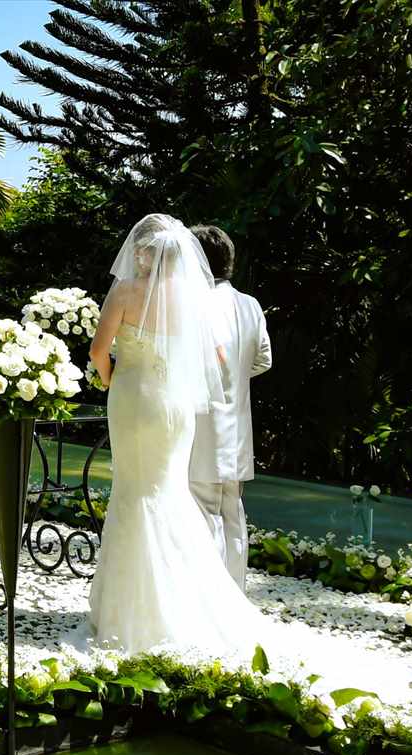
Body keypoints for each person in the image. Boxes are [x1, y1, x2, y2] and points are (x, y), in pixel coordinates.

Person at [79, 214, 268, 656]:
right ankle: (188, 602)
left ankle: (129, 611)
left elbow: (96, 351)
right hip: (176, 407)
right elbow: (219, 358)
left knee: (133, 490)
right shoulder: (196, 299)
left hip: (133, 399)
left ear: (145, 252)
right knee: (168, 493)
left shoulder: (126, 292)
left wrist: (111, 380)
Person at [186, 224, 271, 590]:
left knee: (202, 510)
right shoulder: (249, 304)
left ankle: (211, 597)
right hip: (238, 422)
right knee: (232, 511)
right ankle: (235, 591)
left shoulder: (193, 303)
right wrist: (235, 377)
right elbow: (263, 360)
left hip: (202, 422)